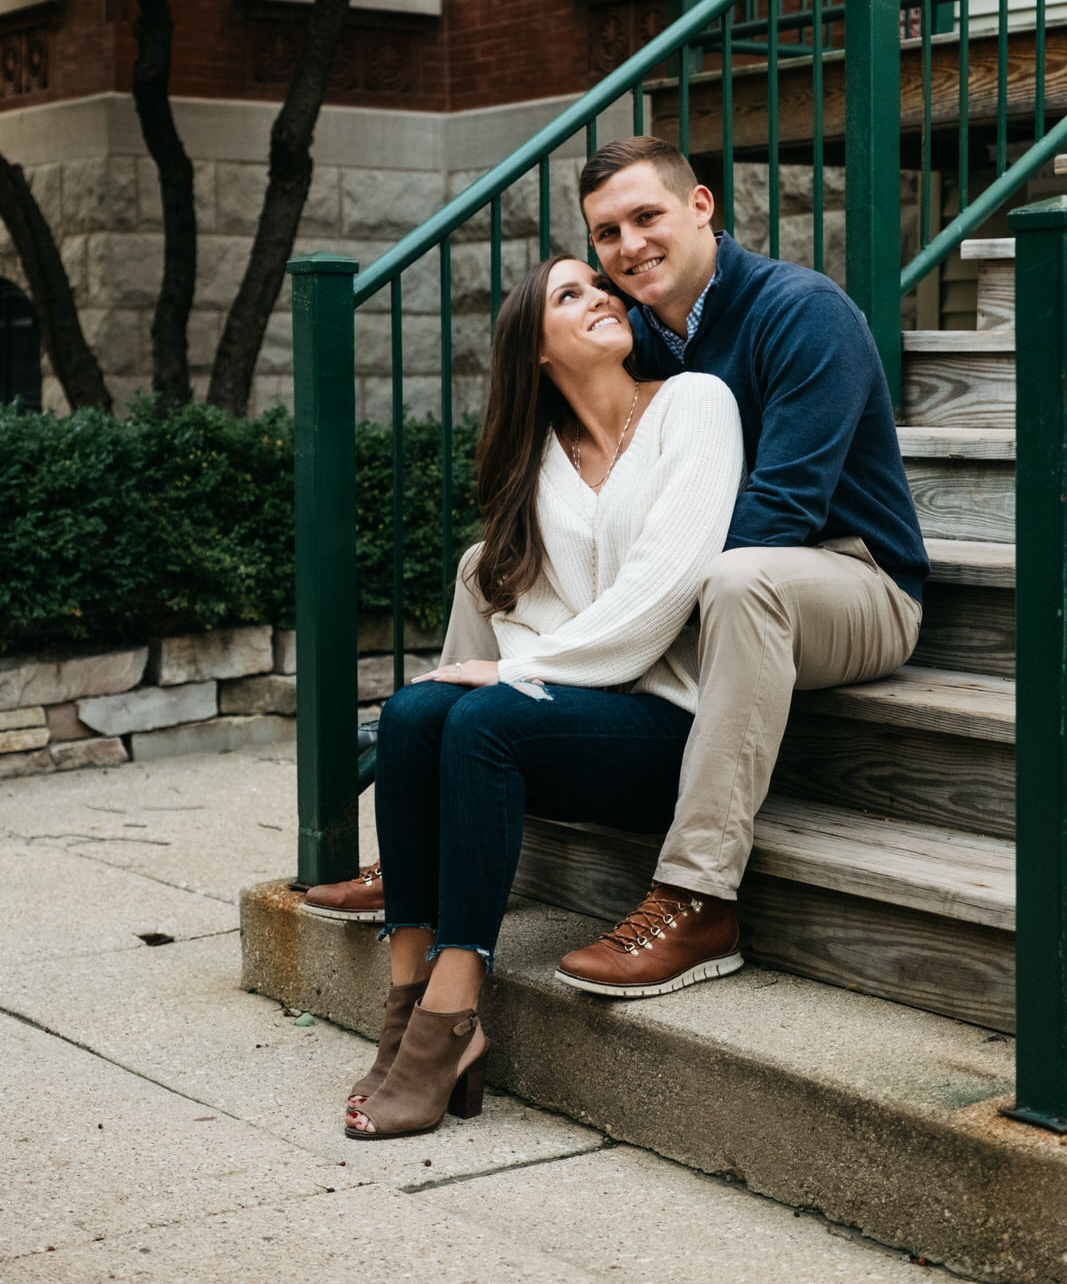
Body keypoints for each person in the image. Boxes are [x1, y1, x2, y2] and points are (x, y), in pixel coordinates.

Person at [342, 252, 745, 1139]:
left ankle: (453, 1013)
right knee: (412, 712)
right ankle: (407, 995)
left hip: (666, 723)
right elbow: (520, 611)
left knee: (483, 716)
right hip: (566, 715)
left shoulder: (694, 404)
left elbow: (667, 586)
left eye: (600, 286)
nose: (603, 295)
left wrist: (520, 669)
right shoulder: (535, 462)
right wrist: (518, 665)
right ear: (535, 350)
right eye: (572, 294)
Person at [545, 135, 928, 995]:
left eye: (647, 217)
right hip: (713, 587)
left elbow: (781, 514)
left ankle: (696, 897)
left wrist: (632, 610)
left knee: (739, 578)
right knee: (483, 563)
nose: (628, 246)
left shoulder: (801, 310)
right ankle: (423, 843)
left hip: (852, 582)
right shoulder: (637, 339)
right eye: (606, 234)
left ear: (701, 208)